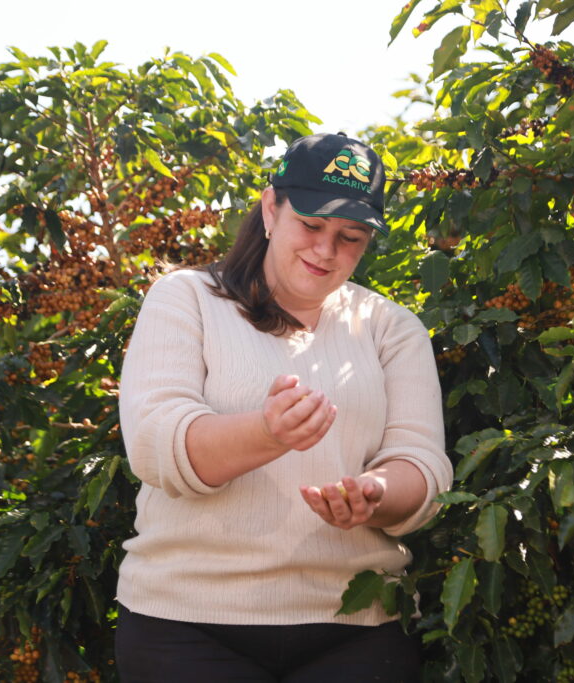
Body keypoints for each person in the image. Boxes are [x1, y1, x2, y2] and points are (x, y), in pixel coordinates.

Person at [115, 132, 452, 682]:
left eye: (350, 237)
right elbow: (155, 447)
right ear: (271, 209)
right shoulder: (187, 298)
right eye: (311, 226)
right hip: (185, 627)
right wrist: (267, 434)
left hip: (359, 628)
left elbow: (421, 463)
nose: (326, 251)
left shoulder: (392, 328)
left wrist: (376, 494)